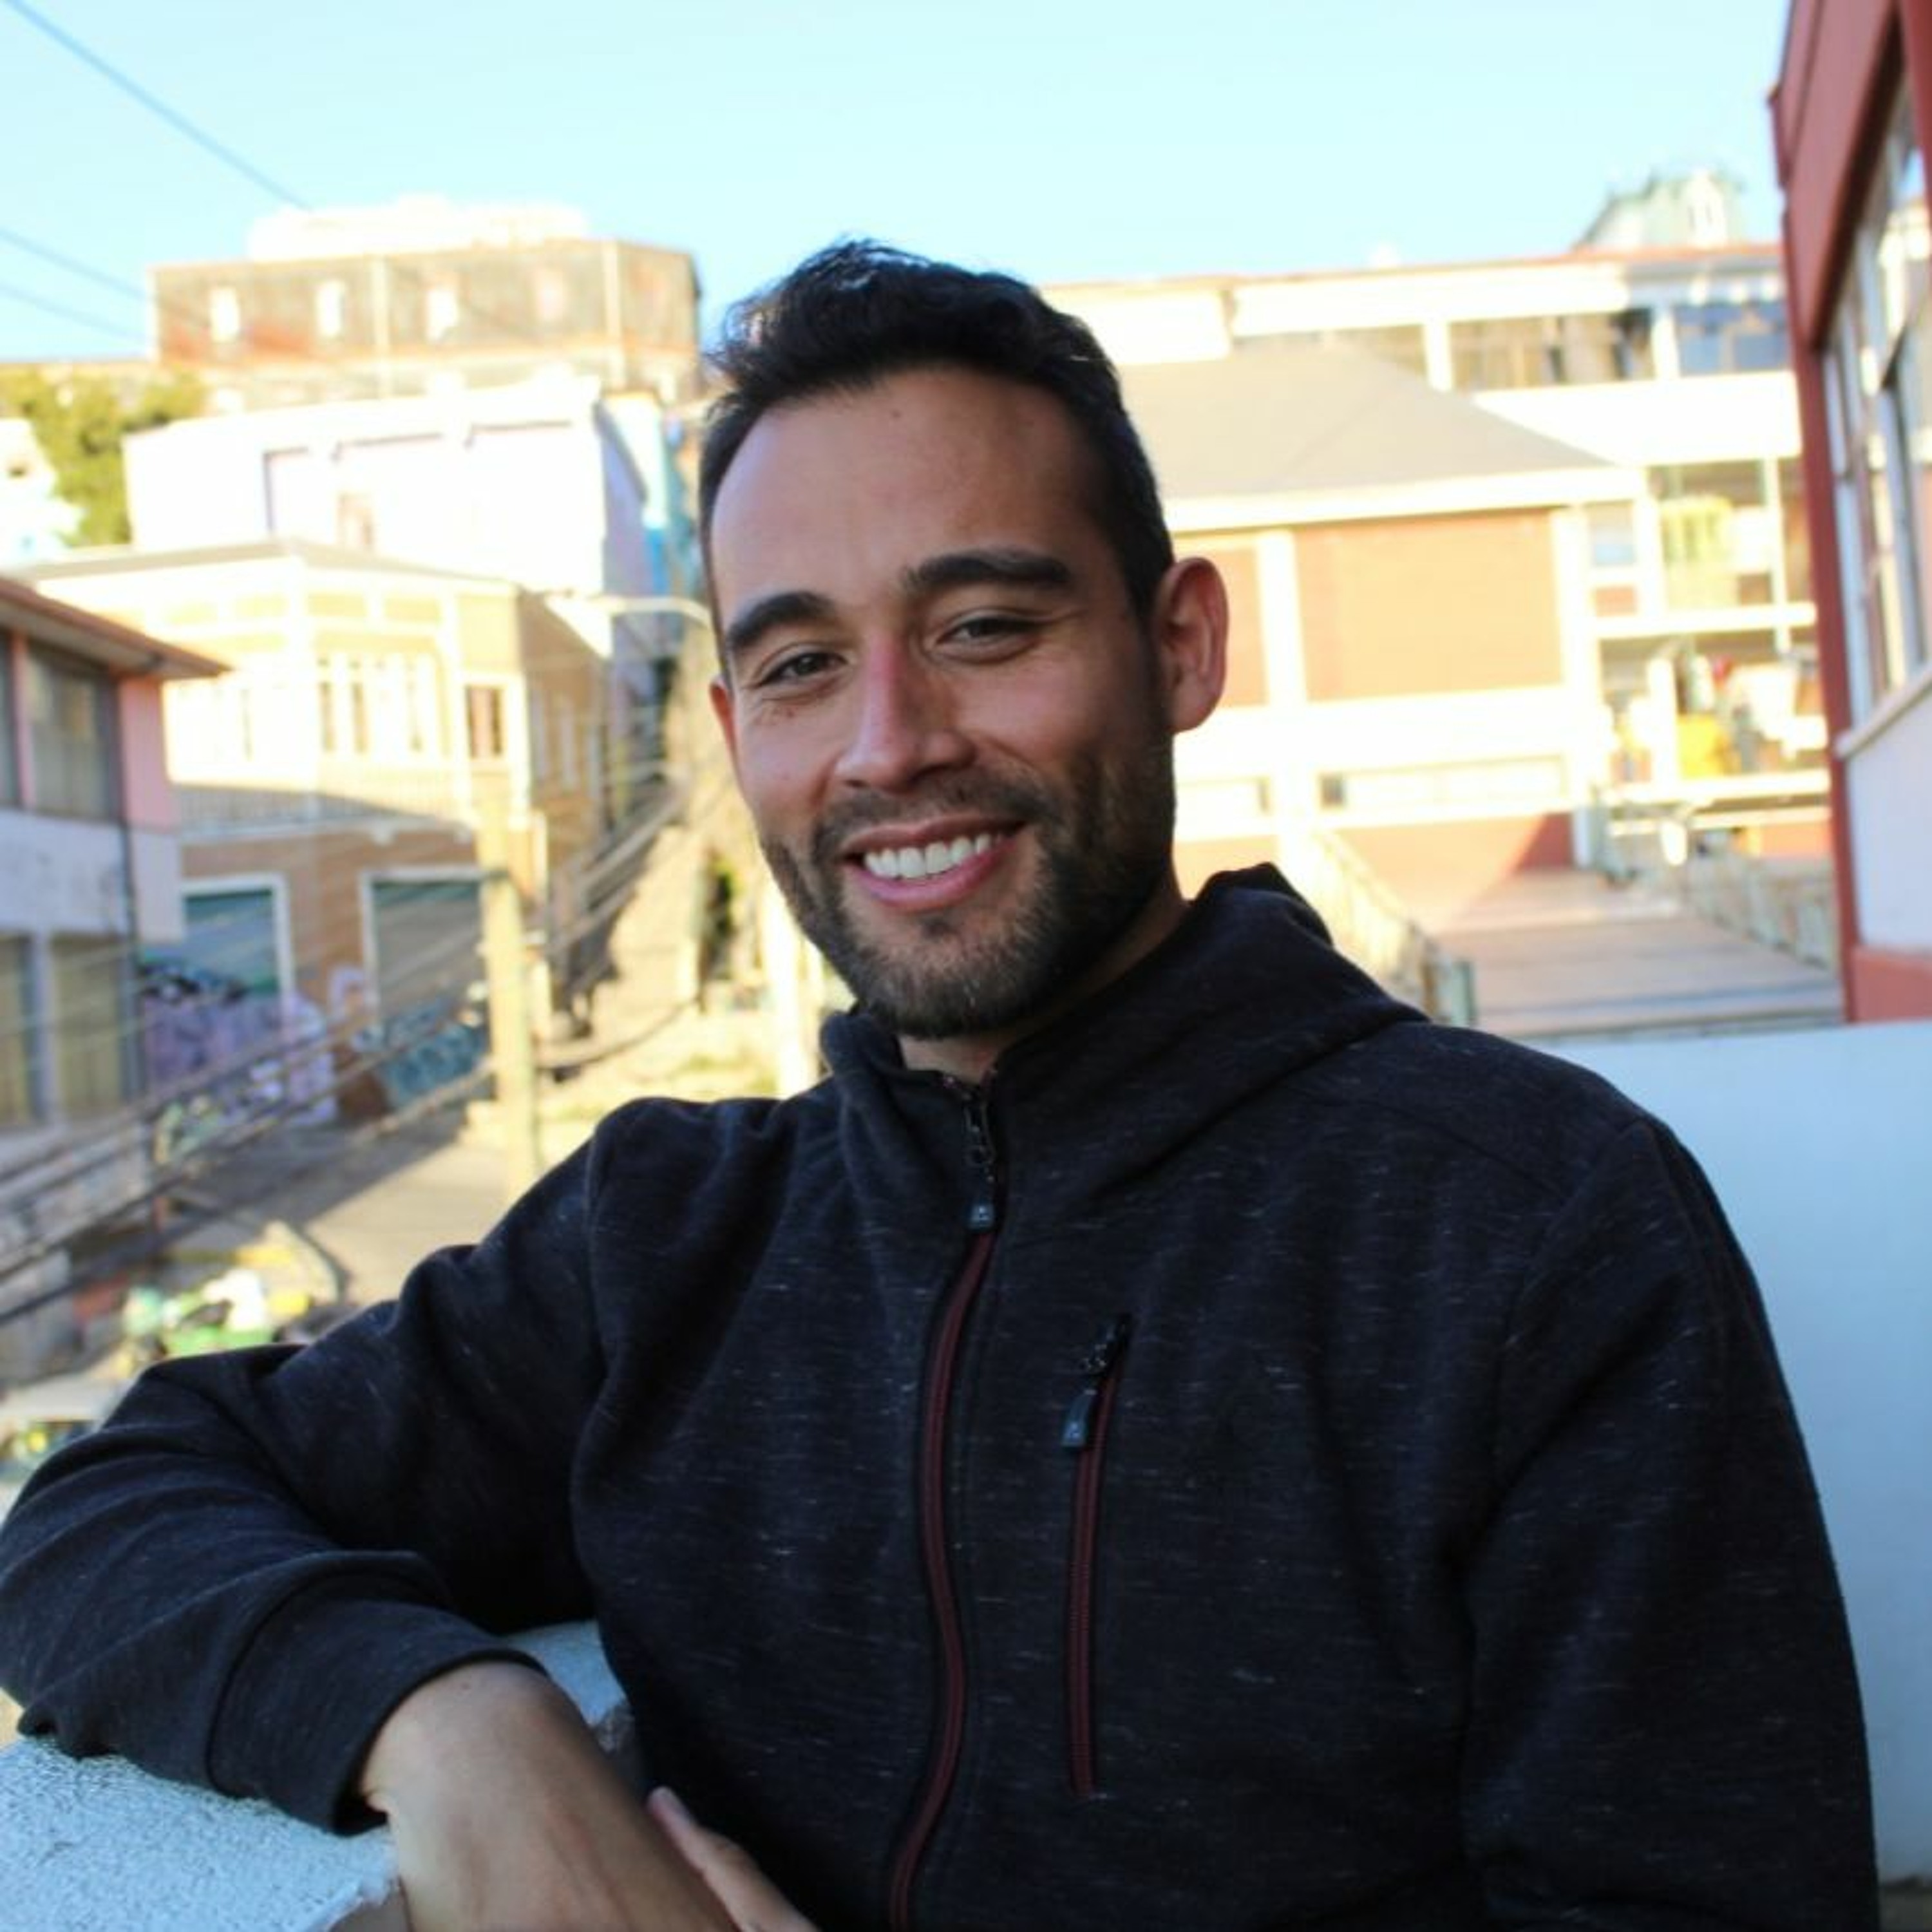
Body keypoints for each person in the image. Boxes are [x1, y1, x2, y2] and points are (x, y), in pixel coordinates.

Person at [0, 242, 1877, 1931]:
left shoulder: (1530, 1225)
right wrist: (453, 1722)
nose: (890, 744)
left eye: (984, 627)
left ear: (1179, 645)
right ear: (736, 730)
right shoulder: (664, 1238)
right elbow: (104, 1506)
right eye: (802, 664)